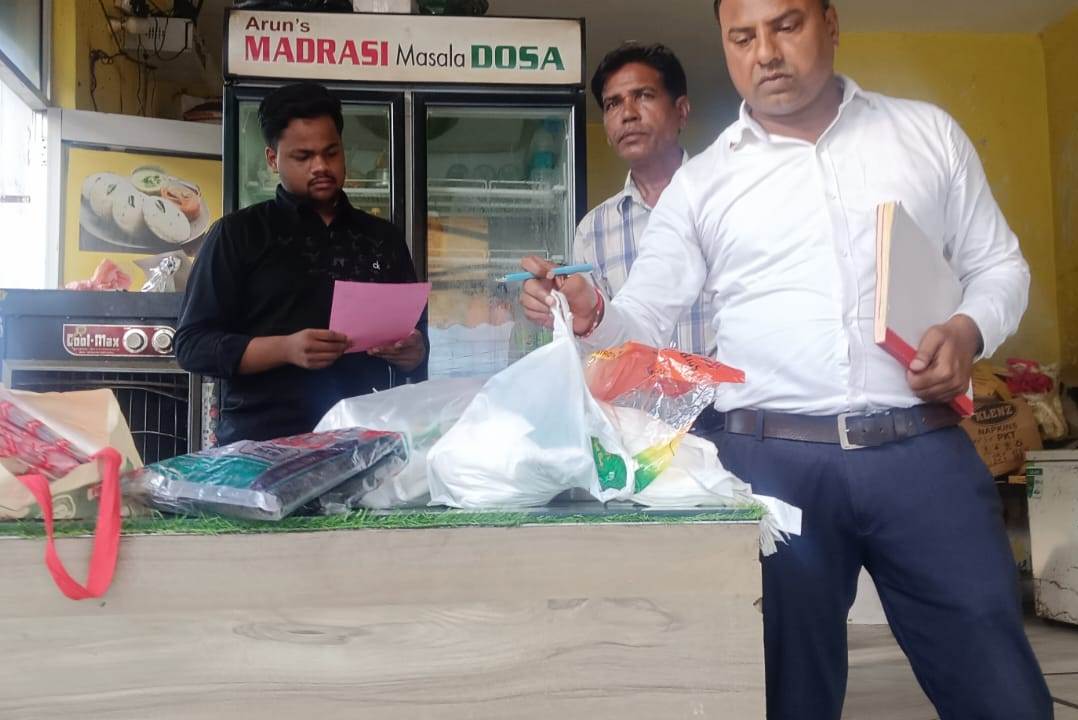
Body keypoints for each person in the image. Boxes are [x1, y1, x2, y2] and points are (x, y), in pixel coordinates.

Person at [519, 0, 1053, 717]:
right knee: (782, 694)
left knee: (1000, 689)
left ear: (829, 24)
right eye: (742, 37)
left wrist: (967, 328)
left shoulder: (923, 135)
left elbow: (999, 267)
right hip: (771, 468)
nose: (765, 52)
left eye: (787, 26)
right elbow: (645, 313)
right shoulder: (706, 182)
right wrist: (591, 313)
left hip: (921, 452)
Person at [177, 82, 427, 446]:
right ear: (272, 159)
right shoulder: (237, 234)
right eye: (303, 156)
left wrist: (413, 352)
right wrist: (285, 349)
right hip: (263, 445)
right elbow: (192, 345)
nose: (321, 166)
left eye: (331, 152)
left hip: (364, 441)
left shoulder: (382, 238)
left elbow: (417, 340)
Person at [576, 42, 714, 356]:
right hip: (635, 390)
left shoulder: (724, 199)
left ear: (681, 111)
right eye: (612, 104)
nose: (627, 114)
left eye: (643, 96)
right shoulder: (593, 231)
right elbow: (596, 348)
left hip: (732, 388)